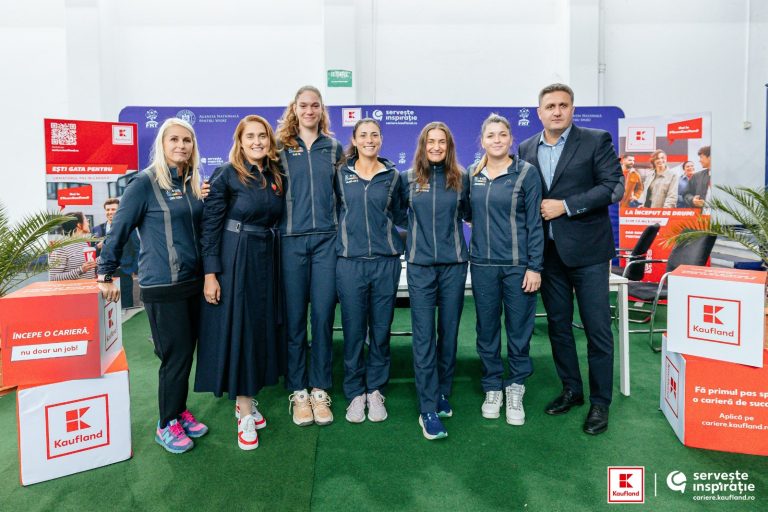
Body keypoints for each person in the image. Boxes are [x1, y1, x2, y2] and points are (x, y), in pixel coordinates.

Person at [517, 83, 624, 435]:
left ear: (572, 109)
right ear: (539, 112)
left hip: (589, 253)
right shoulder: (526, 148)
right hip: (548, 256)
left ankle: (600, 403)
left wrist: (565, 206)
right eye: (550, 106)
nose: (557, 111)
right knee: (559, 327)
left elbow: (613, 187)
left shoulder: (596, 140)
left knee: (597, 330)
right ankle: (572, 390)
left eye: (563, 105)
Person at [97, 117, 208, 453]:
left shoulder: (190, 183)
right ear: (162, 144)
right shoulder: (143, 183)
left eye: (187, 140)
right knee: (174, 355)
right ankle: (165, 423)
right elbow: (119, 229)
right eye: (174, 139)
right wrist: (105, 273)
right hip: (162, 285)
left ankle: (179, 410)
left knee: (186, 352)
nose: (181, 146)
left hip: (192, 282)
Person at [195, 115, 284, 450]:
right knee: (242, 331)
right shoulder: (226, 174)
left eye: (262, 136)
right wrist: (210, 274)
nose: (257, 142)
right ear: (240, 141)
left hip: (266, 259)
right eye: (250, 136)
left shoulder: (275, 175)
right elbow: (210, 227)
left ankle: (246, 398)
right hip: (236, 259)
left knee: (260, 329)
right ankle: (244, 411)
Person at [275, 86, 344, 427]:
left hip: (326, 243)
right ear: (295, 108)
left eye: (315, 105)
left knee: (322, 317)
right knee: (294, 320)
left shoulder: (333, 147)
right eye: (303, 105)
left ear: (321, 110)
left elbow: (343, 195)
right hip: (290, 241)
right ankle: (299, 391)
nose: (309, 110)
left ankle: (319, 389)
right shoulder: (279, 148)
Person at [468, 114, 543, 427]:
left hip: (517, 267)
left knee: (519, 330)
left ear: (511, 139)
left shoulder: (526, 172)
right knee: (486, 330)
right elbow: (466, 212)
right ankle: (492, 387)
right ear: (482, 141)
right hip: (482, 265)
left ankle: (515, 386)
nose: (497, 140)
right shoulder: (473, 174)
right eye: (491, 135)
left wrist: (535, 267)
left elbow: (535, 223)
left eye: (502, 135)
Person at [400, 122, 470, 440]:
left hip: (454, 266)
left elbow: (469, 213)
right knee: (424, 336)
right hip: (420, 267)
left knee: (449, 333)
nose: (437, 147)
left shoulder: (461, 179)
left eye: (442, 141)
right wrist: (416, 241)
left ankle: (441, 390)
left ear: (449, 146)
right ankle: (427, 407)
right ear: (423, 145)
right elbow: (396, 214)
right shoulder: (408, 179)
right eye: (431, 141)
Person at [334, 118, 406, 424]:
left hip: (385, 262)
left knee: (380, 329)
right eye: (363, 135)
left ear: (381, 139)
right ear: (354, 139)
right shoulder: (340, 174)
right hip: (349, 263)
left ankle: (375, 389)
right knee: (353, 332)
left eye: (374, 135)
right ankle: (355, 392)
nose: (369, 140)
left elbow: (401, 214)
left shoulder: (393, 176)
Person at [92, 198, 139, 307]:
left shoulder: (129, 228)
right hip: (105, 274)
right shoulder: (96, 230)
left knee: (126, 304)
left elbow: (137, 249)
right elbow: (92, 250)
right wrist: (98, 246)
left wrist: (133, 269)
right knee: (107, 304)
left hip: (124, 272)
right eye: (108, 209)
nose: (110, 212)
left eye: (113, 209)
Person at [48, 211, 97, 281]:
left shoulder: (84, 243)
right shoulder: (61, 248)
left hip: (90, 287)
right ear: (79, 225)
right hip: (74, 288)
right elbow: (53, 278)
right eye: (86, 221)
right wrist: (81, 270)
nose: (88, 223)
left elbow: (90, 266)